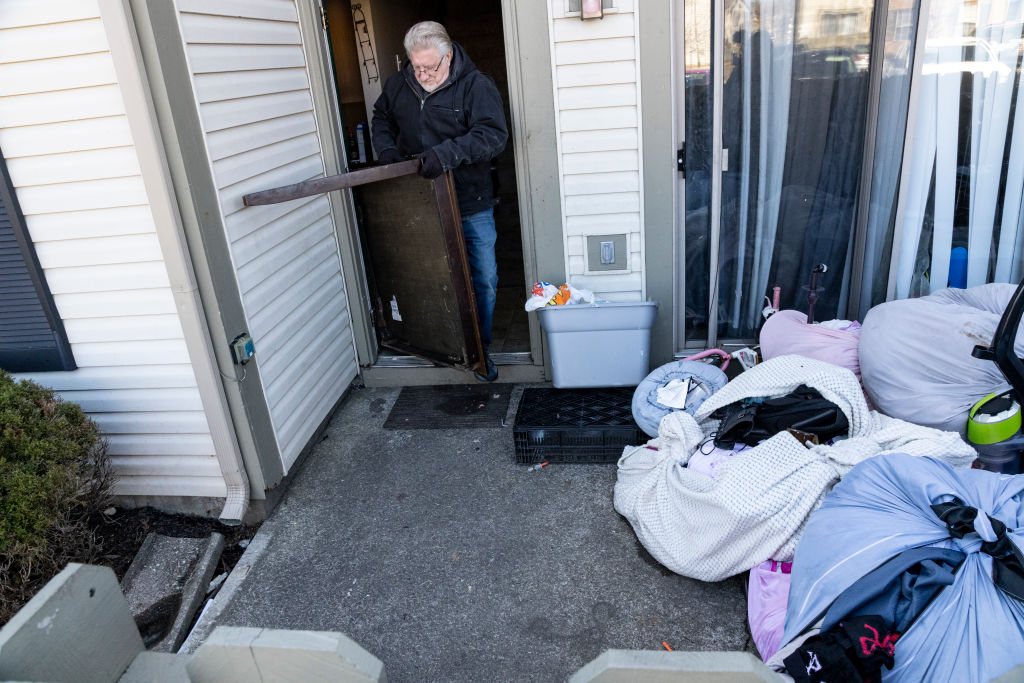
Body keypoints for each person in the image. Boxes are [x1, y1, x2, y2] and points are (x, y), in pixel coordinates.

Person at [371, 21, 507, 382]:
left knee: (483, 279)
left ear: (448, 57)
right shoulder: (400, 84)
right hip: (418, 204)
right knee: (424, 278)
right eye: (416, 67)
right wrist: (385, 149)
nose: (422, 74)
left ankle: (480, 351)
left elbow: (493, 136)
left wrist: (445, 154)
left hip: (470, 201)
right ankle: (436, 346)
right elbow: (380, 116)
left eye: (430, 67)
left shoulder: (476, 86)